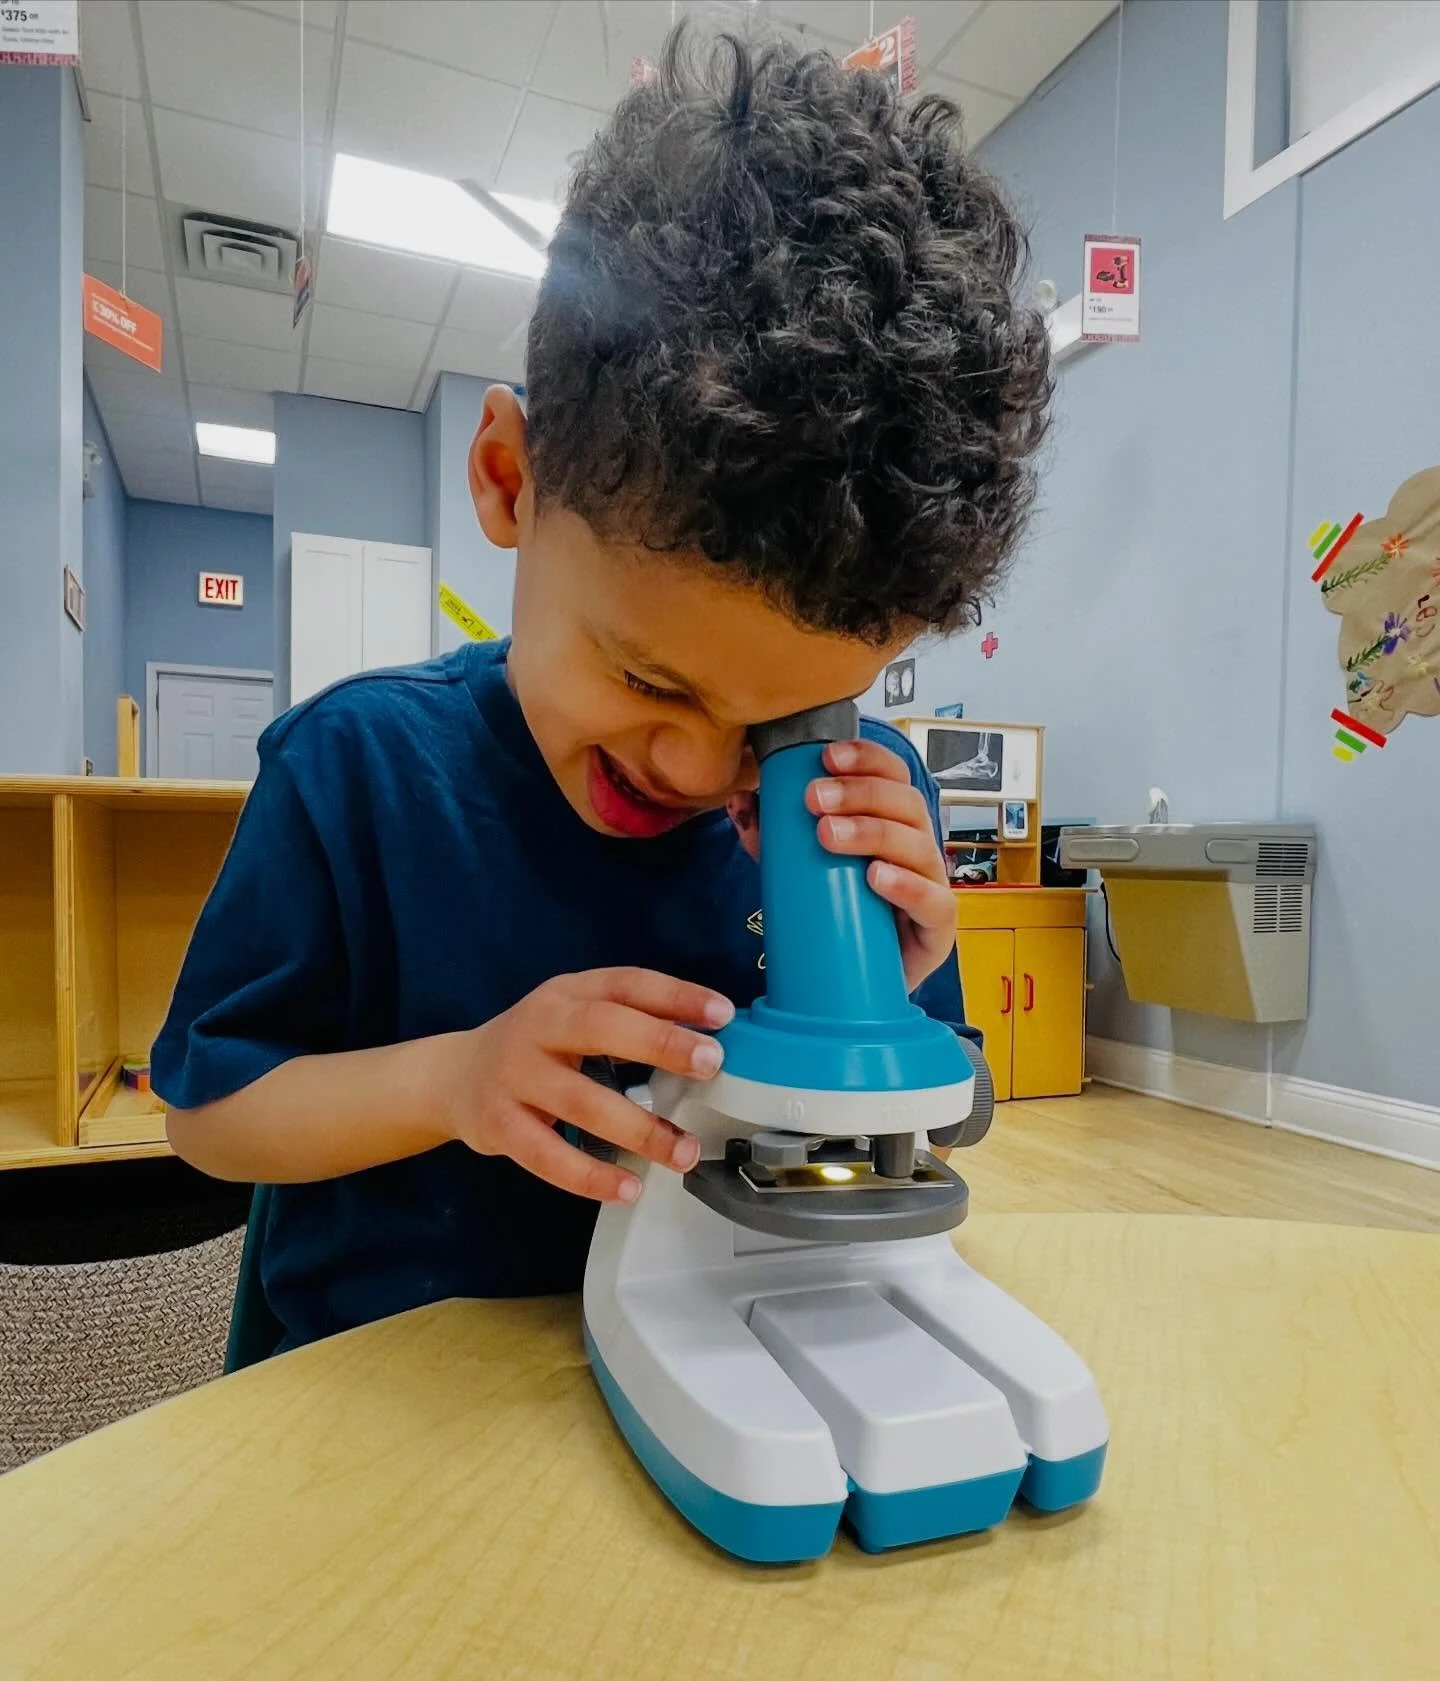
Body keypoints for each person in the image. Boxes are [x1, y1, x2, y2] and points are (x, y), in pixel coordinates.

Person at [155, 26, 1052, 1352]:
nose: (697, 771)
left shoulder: (867, 810)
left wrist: (894, 992)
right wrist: (458, 1081)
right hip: (391, 1397)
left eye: (784, 725)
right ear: (511, 482)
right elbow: (210, 1117)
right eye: (645, 674)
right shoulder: (357, 775)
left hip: (723, 1356)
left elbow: (925, 1131)